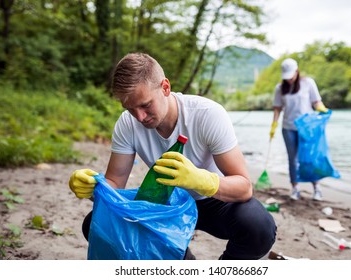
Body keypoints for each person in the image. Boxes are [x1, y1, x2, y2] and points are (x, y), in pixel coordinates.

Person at [69, 52, 276, 260]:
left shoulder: (208, 114)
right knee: (96, 223)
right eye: (130, 109)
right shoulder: (127, 123)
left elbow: (244, 187)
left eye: (145, 105)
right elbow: (115, 184)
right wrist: (94, 188)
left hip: (213, 200)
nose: (139, 117)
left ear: (165, 87)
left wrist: (202, 180)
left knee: (259, 227)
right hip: (165, 204)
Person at [269, 58, 329, 201]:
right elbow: (277, 109)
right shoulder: (280, 88)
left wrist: (321, 108)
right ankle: (295, 189)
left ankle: (317, 188)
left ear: (296, 71)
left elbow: (316, 102)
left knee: (309, 158)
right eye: (286, 77)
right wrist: (273, 125)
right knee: (293, 160)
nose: (289, 80)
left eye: (291, 76)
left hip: (306, 128)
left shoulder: (308, 83)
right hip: (288, 128)